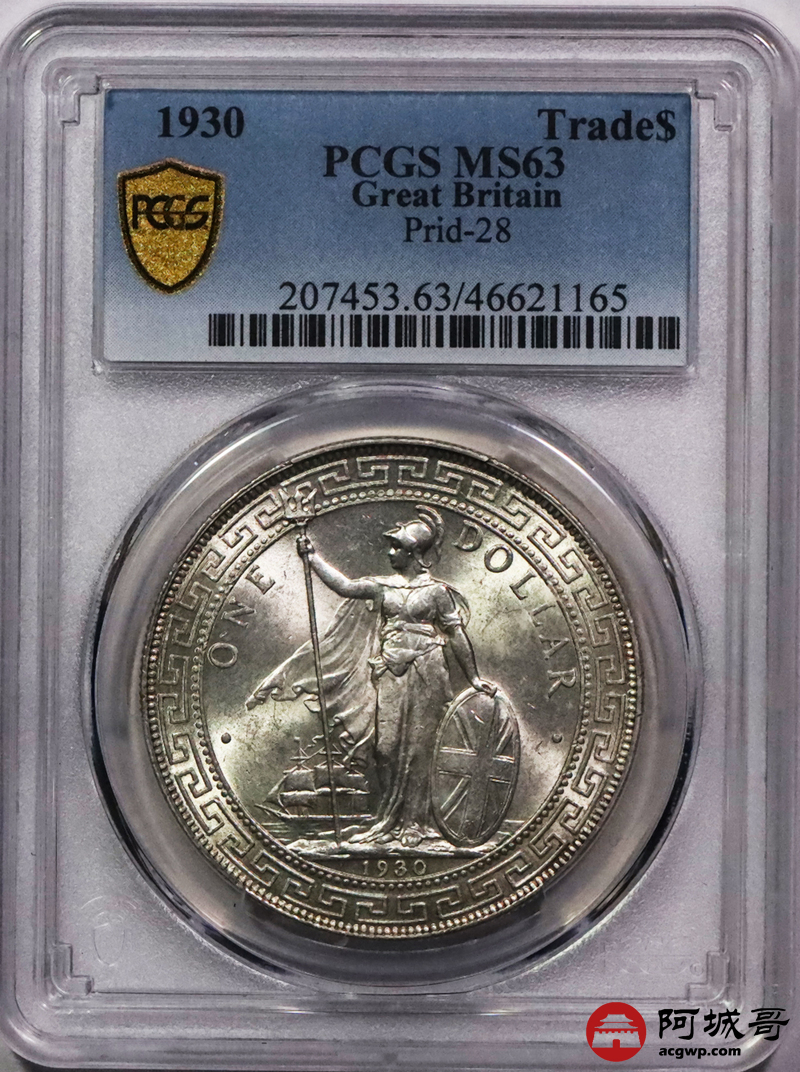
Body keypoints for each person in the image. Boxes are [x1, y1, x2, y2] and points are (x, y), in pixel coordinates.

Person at [247, 506, 493, 849]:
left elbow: (457, 636)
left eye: (397, 547)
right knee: (386, 748)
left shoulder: (438, 592)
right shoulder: (382, 587)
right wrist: (312, 557)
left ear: (414, 553)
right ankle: (387, 820)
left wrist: (474, 677)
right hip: (390, 670)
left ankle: (416, 824)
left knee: (421, 748)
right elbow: (345, 586)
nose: (390, 553)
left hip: (428, 669)